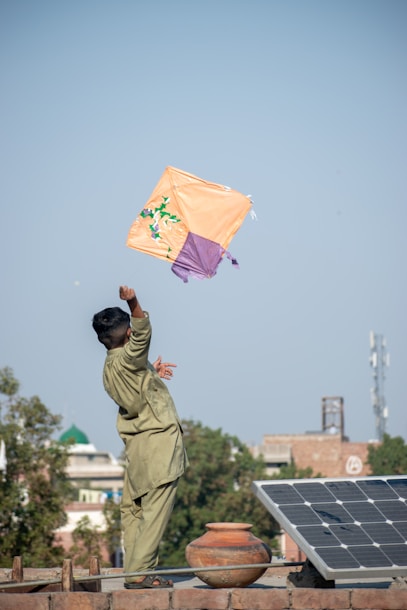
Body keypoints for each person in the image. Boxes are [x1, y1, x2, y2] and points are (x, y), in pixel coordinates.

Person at [92, 285, 187, 589]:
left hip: (137, 449)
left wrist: (151, 373)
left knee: (135, 510)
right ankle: (141, 574)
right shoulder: (132, 357)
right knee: (156, 510)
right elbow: (143, 330)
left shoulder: (109, 368)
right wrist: (132, 301)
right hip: (158, 443)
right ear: (128, 335)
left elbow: (134, 388)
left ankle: (134, 571)